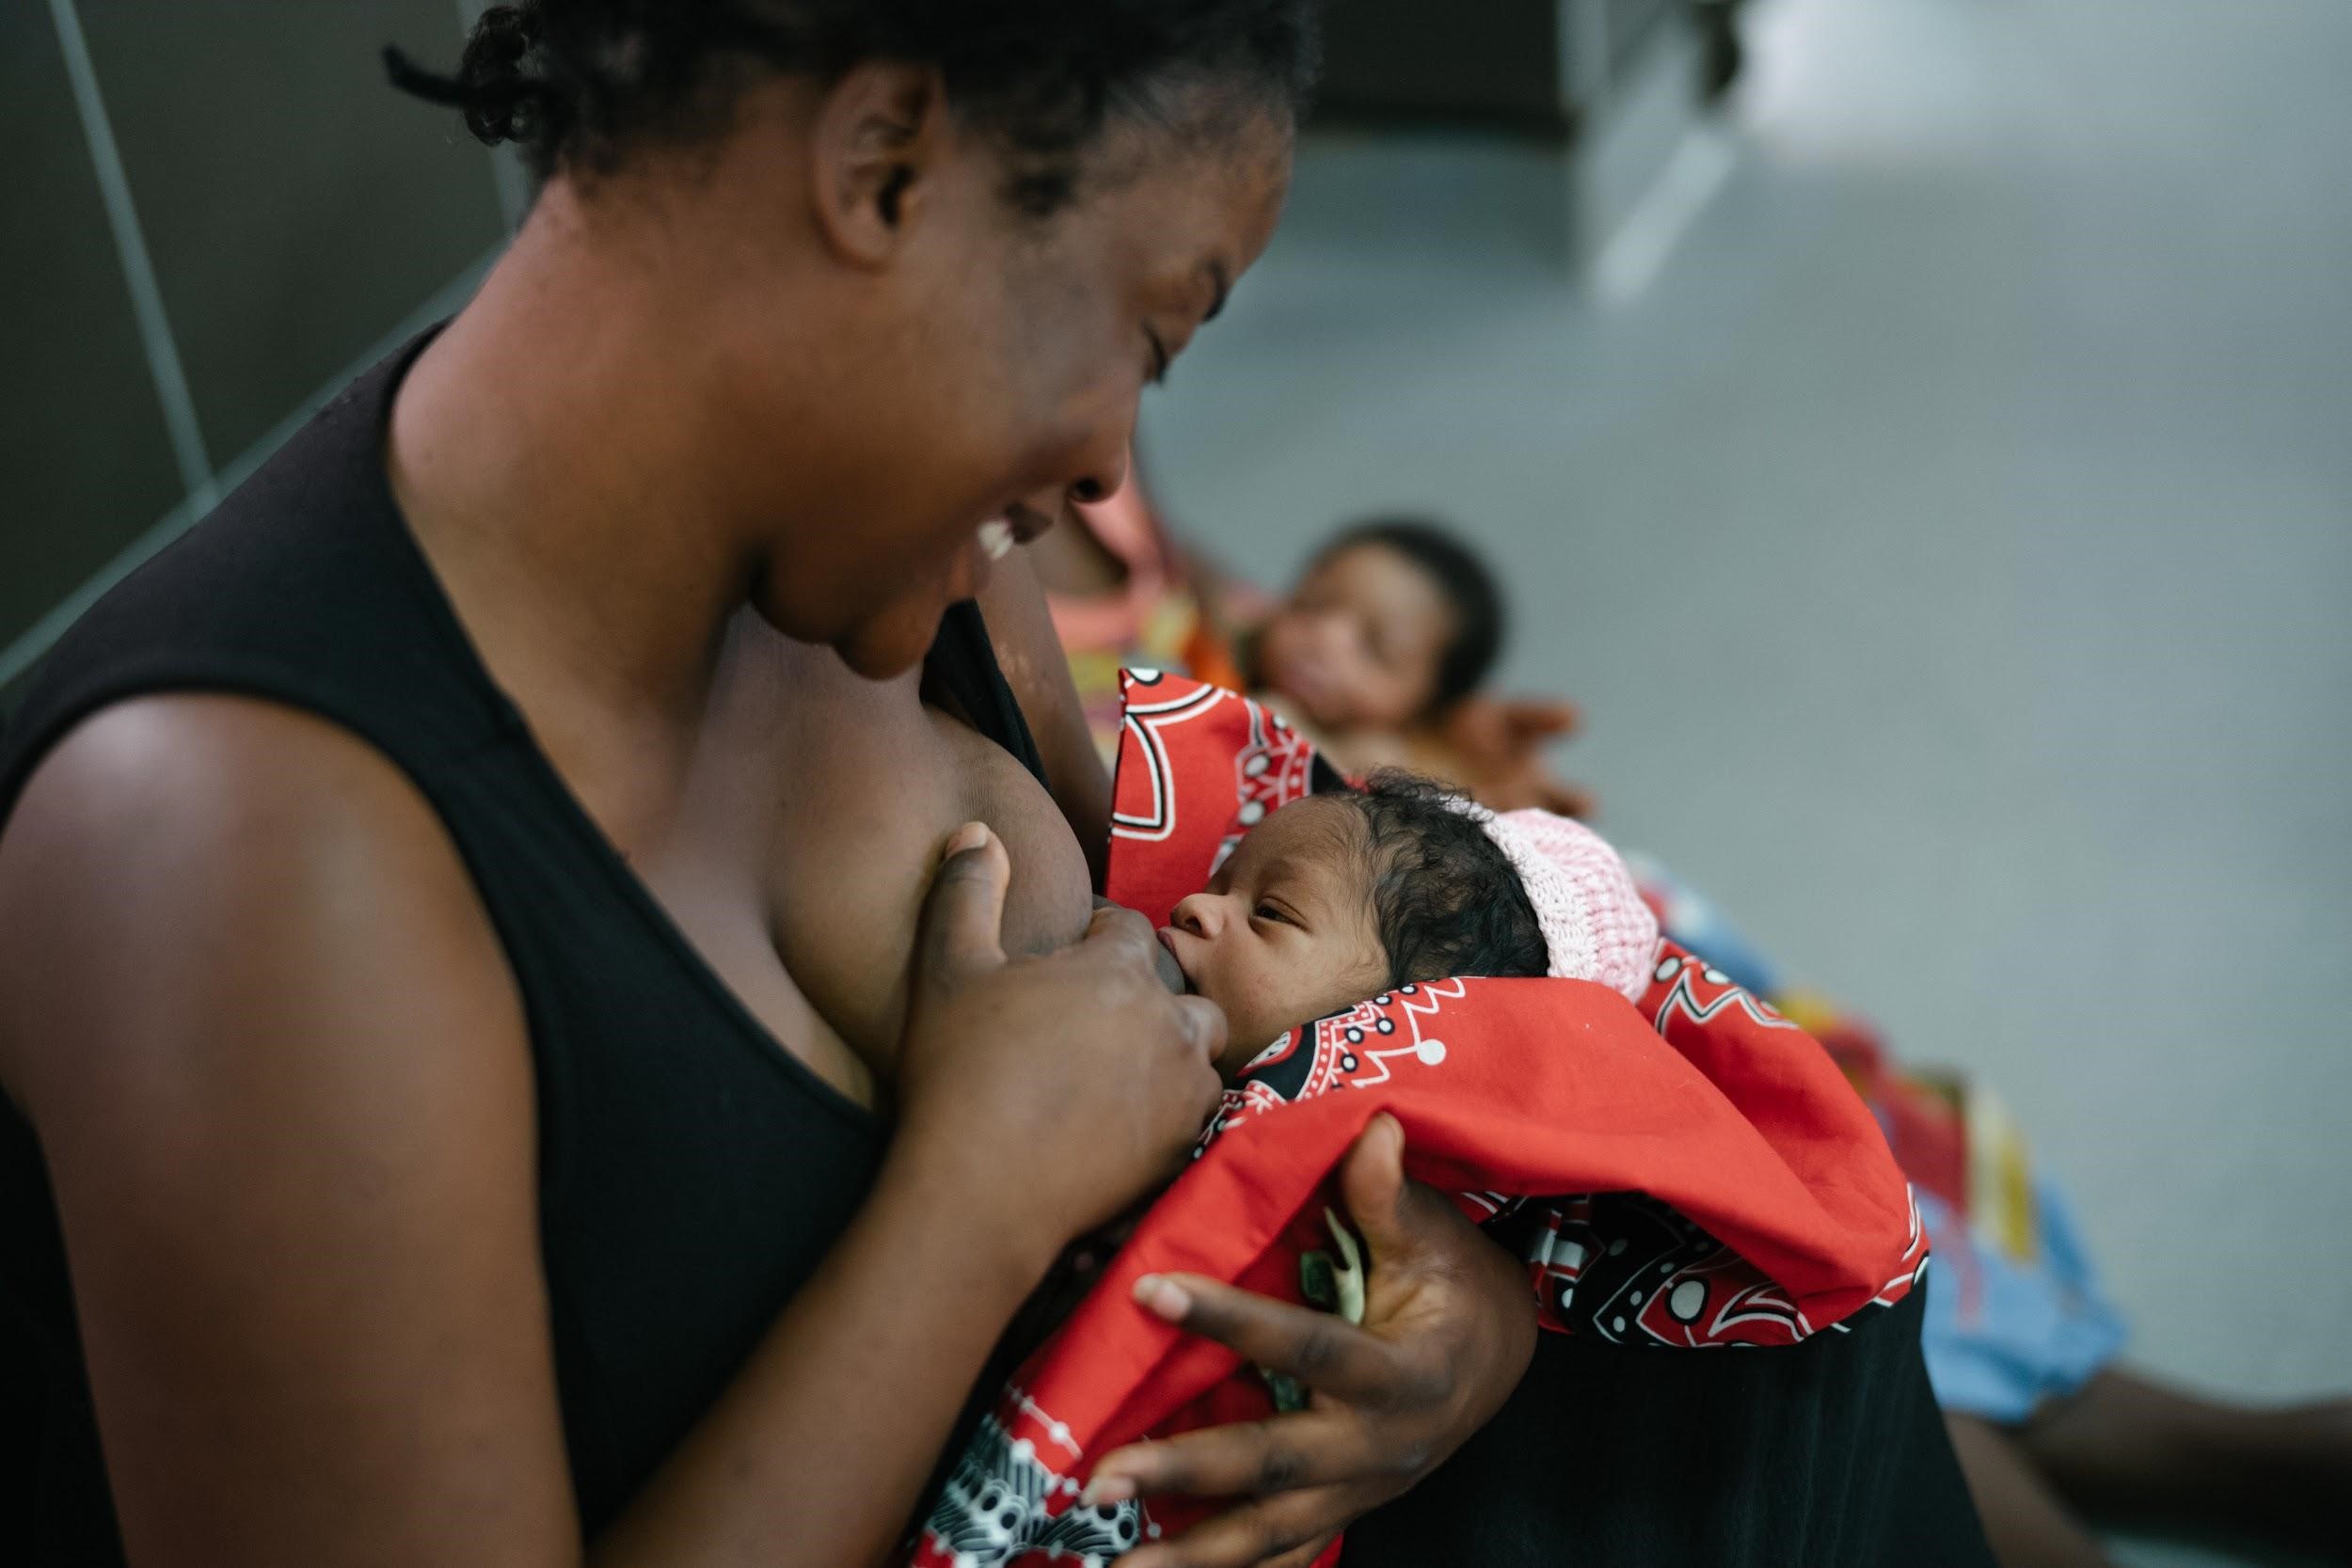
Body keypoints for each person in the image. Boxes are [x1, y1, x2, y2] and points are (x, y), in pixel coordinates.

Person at [0, 7, 1554, 1566]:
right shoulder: (232, 855)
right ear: (883, 167)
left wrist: (1466, 1316)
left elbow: (1270, 1036)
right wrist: (971, 1207)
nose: (1105, 466)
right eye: (1146, 334)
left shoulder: (908, 555)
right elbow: (1038, 1138)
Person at [1636, 863, 2352, 1567]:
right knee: (1988, 1395)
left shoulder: (1599, 900)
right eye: (1524, 739)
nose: (1559, 744)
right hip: (1859, 1231)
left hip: (1827, 1235)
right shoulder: (1601, 891)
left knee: (1847, 1390)